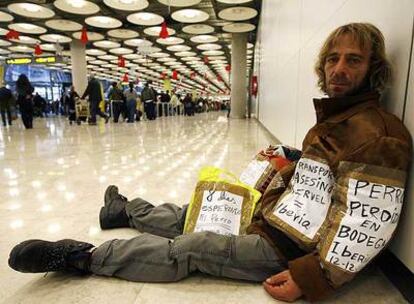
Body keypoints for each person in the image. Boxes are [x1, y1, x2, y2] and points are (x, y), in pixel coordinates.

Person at [7, 23, 412, 303]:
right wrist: (292, 165)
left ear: (373, 69)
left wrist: (315, 279)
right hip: (273, 218)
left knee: (191, 246)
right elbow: (328, 176)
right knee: (196, 210)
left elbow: (363, 222)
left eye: (353, 61)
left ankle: (82, 257)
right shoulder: (339, 119)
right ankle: (125, 211)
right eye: (333, 59)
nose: (339, 69)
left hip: (285, 247)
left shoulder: (381, 135)